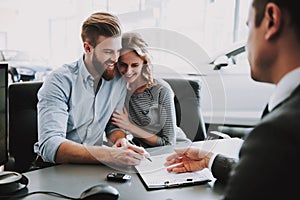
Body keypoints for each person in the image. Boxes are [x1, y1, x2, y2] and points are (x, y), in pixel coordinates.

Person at [165, 0, 300, 199]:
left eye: (248, 28)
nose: (247, 44)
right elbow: (276, 177)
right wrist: (210, 161)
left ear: (271, 20)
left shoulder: (279, 134)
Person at [34, 12, 149, 167]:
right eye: (108, 52)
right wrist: (109, 155)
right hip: (55, 168)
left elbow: (112, 125)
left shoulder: (117, 80)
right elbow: (50, 144)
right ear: (88, 48)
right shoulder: (59, 81)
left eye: (117, 51)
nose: (115, 59)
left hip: (92, 166)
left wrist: (120, 140)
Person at [111, 32, 191, 148]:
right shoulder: (119, 90)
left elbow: (168, 142)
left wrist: (130, 127)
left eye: (134, 65)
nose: (128, 71)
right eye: (123, 64)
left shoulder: (161, 90)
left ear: (144, 63)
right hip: (147, 152)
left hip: (176, 149)